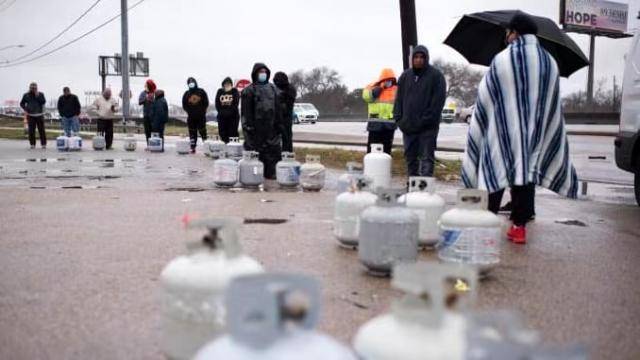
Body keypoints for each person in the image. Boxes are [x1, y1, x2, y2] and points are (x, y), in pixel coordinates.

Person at [461, 13, 578, 244]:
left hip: (503, 130)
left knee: (495, 170)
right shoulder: (550, 63)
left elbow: (486, 96)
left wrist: (485, 122)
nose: (506, 37)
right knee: (525, 174)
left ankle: (487, 226)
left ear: (514, 32)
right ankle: (519, 227)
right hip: (535, 133)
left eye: (508, 32)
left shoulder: (503, 59)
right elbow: (552, 103)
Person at [394, 45, 447, 177]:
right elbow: (398, 99)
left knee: (426, 160)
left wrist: (424, 121)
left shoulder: (436, 76)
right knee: (410, 160)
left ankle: (424, 191)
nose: (418, 60)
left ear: (426, 58)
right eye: (416, 57)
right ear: (412, 59)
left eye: (421, 57)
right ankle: (411, 187)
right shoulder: (406, 76)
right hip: (408, 127)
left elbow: (437, 103)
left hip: (427, 129)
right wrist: (399, 119)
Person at [241, 63, 282, 179]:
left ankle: (271, 173)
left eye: (264, 72)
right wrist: (248, 129)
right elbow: (245, 113)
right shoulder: (248, 91)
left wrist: (279, 125)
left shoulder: (274, 89)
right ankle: (254, 176)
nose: (263, 74)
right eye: (260, 72)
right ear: (255, 74)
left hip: (271, 128)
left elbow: (279, 109)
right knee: (256, 154)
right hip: (255, 129)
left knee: (272, 151)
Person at [363, 68, 398, 154]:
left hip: (389, 124)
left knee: (386, 151)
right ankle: (371, 166)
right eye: (386, 80)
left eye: (390, 80)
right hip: (375, 124)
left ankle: (384, 167)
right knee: (372, 150)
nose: (388, 82)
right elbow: (365, 96)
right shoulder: (373, 87)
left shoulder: (397, 90)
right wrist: (376, 91)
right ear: (381, 79)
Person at [182, 77, 209, 153]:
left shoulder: (201, 91)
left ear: (195, 82)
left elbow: (206, 102)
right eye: (189, 83)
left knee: (202, 131)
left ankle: (206, 145)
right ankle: (193, 146)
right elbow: (184, 105)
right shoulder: (186, 94)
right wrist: (189, 111)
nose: (191, 84)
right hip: (191, 117)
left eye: (192, 82)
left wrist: (202, 111)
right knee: (192, 132)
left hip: (201, 116)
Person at [273, 71, 297, 152]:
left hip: (286, 117)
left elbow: (288, 104)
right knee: (278, 138)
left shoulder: (289, 89)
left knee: (286, 137)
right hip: (278, 117)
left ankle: (287, 154)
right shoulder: (276, 89)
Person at [19, 82, 47, 149]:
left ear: (37, 88)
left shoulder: (41, 94)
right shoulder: (26, 95)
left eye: (35, 88)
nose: (33, 89)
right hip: (30, 115)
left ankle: (43, 144)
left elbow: (43, 102)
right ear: (30, 88)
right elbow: (22, 103)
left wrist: (37, 96)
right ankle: (32, 144)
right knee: (31, 131)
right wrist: (26, 109)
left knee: (41, 130)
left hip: (39, 115)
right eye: (32, 88)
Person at [214, 77, 240, 143]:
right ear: (223, 85)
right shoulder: (220, 91)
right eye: (226, 84)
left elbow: (235, 103)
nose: (227, 85)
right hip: (222, 116)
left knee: (233, 133)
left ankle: (233, 147)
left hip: (233, 116)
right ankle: (224, 146)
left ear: (231, 85)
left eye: (229, 84)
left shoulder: (234, 91)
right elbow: (217, 103)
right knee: (222, 133)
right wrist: (222, 112)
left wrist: (229, 112)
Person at [138, 79, 156, 145]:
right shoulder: (143, 93)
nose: (145, 86)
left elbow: (158, 102)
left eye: (147, 85)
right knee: (147, 131)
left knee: (154, 131)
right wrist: (146, 99)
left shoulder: (155, 93)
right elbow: (139, 102)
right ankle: (148, 144)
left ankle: (154, 144)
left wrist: (152, 99)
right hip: (146, 115)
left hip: (154, 116)